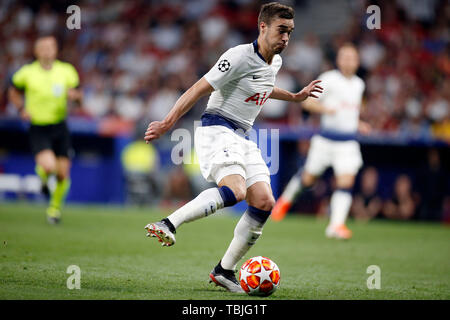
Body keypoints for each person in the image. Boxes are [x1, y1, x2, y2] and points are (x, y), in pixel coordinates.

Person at [143, 2, 323, 293]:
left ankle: (224, 271)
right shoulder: (238, 56)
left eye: (289, 32)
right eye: (281, 30)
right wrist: (167, 123)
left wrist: (295, 96)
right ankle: (168, 222)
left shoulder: (274, 62)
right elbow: (198, 88)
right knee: (237, 191)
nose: (286, 38)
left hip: (242, 136)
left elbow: (263, 87)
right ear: (262, 26)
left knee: (264, 201)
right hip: (217, 128)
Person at [271, 43, 371, 240]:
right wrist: (325, 110)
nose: (349, 61)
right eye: (345, 57)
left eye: (352, 58)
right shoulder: (329, 79)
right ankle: (285, 200)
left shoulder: (359, 84)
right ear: (339, 60)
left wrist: (358, 124)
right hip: (326, 140)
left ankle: (336, 225)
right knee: (308, 179)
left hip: (348, 143)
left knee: (346, 182)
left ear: (357, 61)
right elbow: (307, 102)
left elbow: (349, 112)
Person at [8, 35, 82, 224]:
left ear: (56, 50)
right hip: (39, 127)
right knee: (48, 166)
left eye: (52, 47)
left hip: (60, 126)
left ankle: (54, 209)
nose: (48, 50)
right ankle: (43, 178)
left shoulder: (66, 71)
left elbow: (79, 96)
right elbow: (13, 91)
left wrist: (75, 97)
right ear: (37, 51)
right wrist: (21, 109)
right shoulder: (27, 72)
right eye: (44, 47)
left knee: (62, 174)